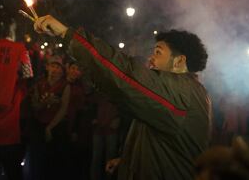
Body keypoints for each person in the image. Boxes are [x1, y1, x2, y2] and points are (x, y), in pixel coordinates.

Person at [33, 15, 212, 180]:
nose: (150, 59)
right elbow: (161, 146)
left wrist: (66, 34)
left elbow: (124, 74)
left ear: (180, 61)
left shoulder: (181, 92)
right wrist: (127, 161)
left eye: (158, 52)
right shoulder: (178, 91)